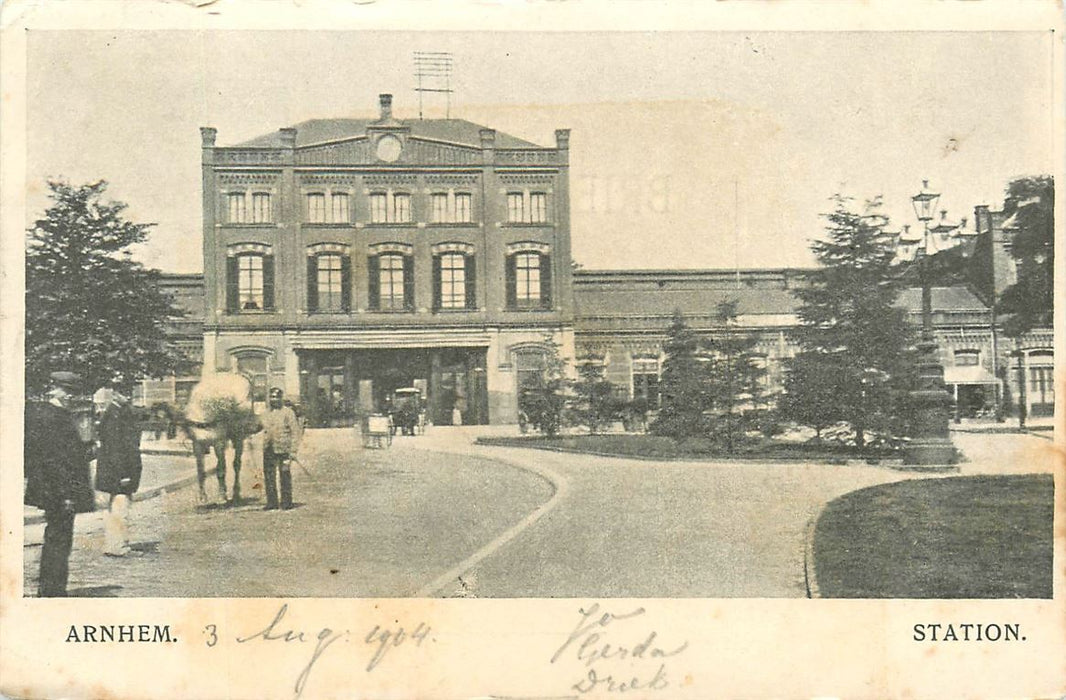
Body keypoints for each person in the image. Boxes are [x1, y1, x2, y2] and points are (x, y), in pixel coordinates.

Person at [24, 371, 95, 596]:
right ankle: (52, 591)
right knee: (59, 540)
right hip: (59, 492)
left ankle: (51, 588)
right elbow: (55, 460)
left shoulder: (51, 414)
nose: (73, 398)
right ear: (60, 392)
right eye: (70, 393)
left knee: (57, 538)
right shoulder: (53, 417)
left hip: (55, 490)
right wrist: (66, 495)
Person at [94, 388, 143, 557]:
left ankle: (114, 544)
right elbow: (115, 449)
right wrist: (123, 474)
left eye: (129, 392)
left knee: (117, 509)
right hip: (119, 473)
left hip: (116, 472)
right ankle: (118, 547)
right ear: (115, 394)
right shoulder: (114, 416)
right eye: (124, 392)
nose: (128, 396)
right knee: (119, 510)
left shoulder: (118, 413)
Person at [260, 387, 300, 510]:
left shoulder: (288, 413)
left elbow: (295, 433)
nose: (274, 399)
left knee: (285, 475)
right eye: (272, 397)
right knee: (269, 476)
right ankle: (272, 502)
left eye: (276, 397)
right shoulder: (265, 413)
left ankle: (286, 502)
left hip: (284, 450)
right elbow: (258, 427)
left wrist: (293, 451)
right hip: (269, 449)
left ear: (281, 398)